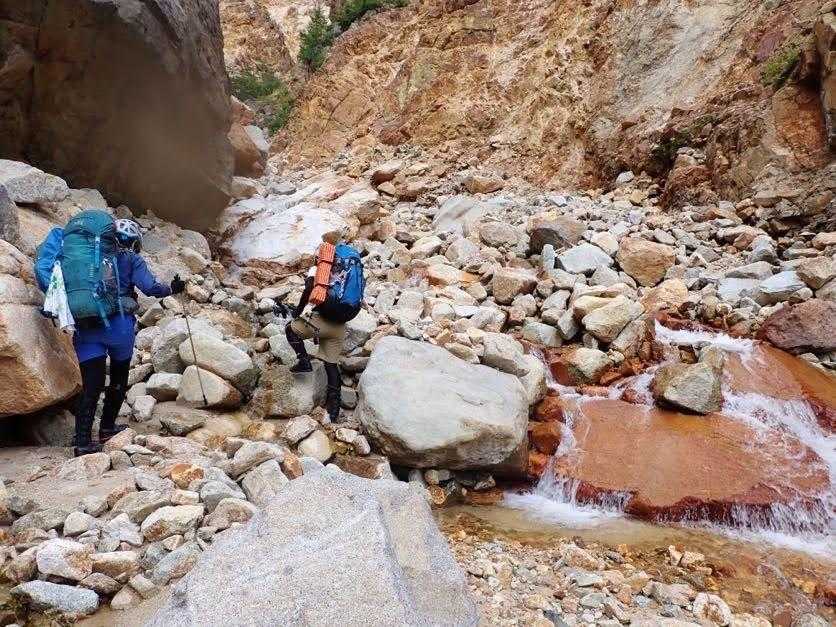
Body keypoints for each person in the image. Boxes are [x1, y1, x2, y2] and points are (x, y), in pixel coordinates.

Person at [71, 218, 185, 456]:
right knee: (119, 376)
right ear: (133, 242)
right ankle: (106, 429)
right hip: (118, 327)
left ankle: (82, 442)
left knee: (91, 385)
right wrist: (172, 289)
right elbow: (150, 287)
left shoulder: (86, 257)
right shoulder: (131, 259)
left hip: (86, 326)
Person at [279, 231, 348, 423]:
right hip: (340, 325)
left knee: (290, 329)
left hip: (320, 321)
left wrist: (298, 312)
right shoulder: (348, 270)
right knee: (331, 364)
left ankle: (304, 361)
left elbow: (309, 289)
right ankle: (334, 411)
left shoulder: (322, 265)